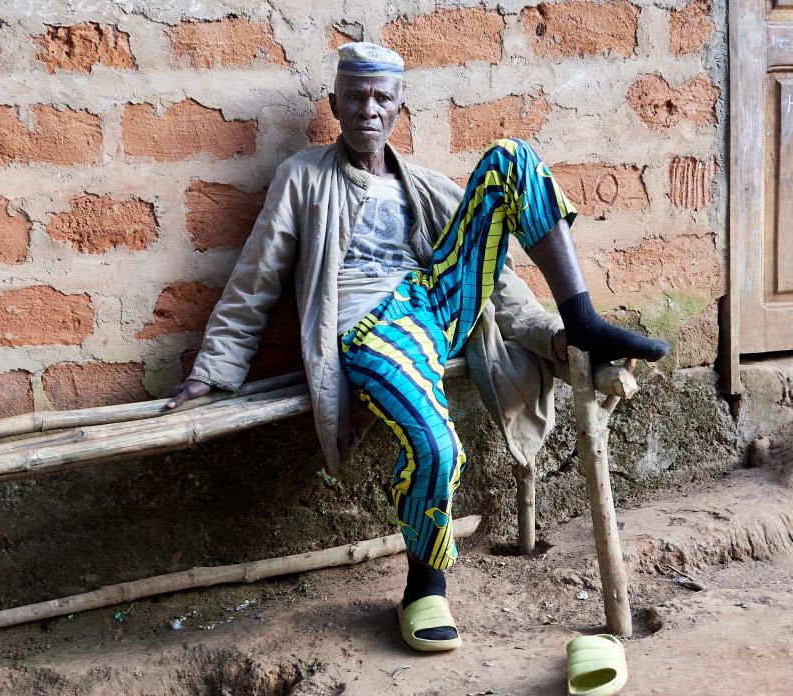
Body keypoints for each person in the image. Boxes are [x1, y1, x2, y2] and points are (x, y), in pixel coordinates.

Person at [165, 42, 668, 652]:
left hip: (432, 306)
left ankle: (582, 318)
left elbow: (496, 281)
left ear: (399, 109)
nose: (368, 111)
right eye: (355, 97)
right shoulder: (301, 179)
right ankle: (426, 588)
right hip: (368, 328)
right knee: (435, 444)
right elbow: (255, 279)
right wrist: (213, 370)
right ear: (334, 105)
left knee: (513, 160)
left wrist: (551, 338)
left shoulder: (424, 187)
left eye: (382, 98)